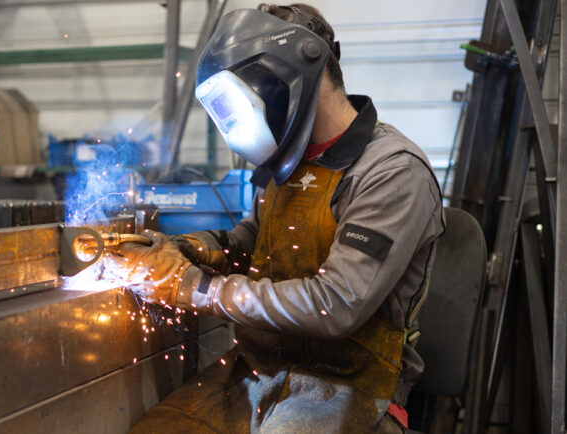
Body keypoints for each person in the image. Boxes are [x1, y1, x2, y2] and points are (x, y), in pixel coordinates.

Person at [112, 4, 444, 433]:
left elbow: (335, 305)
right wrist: (194, 249)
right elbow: (254, 239)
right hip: (255, 372)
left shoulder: (392, 171)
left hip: (349, 384)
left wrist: (194, 287)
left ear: (291, 78)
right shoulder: (289, 156)